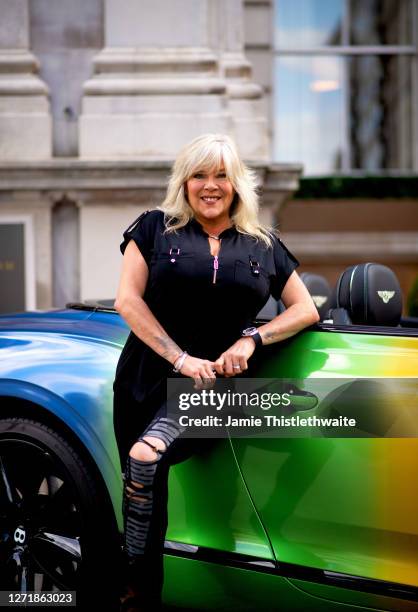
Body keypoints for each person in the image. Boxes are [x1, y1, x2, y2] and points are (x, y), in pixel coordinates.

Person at [113, 133, 319, 611]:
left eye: (221, 175)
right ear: (184, 182)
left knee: (146, 457)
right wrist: (180, 358)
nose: (211, 185)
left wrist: (253, 339)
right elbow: (128, 301)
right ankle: (140, 594)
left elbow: (305, 309)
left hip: (217, 389)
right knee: (147, 489)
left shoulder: (263, 244)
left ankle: (136, 593)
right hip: (145, 379)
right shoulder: (152, 229)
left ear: (237, 183)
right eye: (200, 175)